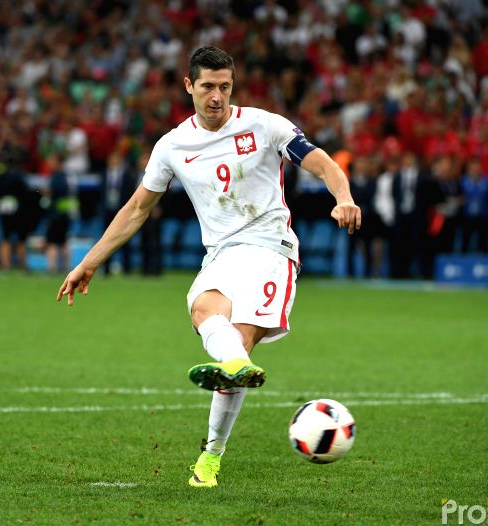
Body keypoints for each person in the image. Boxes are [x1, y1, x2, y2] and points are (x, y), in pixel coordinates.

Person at [56, 46, 360, 488]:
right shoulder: (173, 146)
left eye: (224, 87)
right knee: (202, 309)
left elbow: (324, 164)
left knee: (238, 342)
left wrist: (344, 198)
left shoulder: (265, 125)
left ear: (232, 86)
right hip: (221, 254)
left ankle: (211, 457)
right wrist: (89, 263)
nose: (216, 96)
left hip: (270, 249)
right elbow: (138, 208)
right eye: (207, 87)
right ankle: (235, 366)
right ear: (189, 87)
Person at [44, 154, 77, 273]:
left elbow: (53, 193)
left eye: (52, 160)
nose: (50, 162)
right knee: (63, 241)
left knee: (52, 241)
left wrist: (47, 192)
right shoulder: (68, 176)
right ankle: (65, 268)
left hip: (57, 214)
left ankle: (51, 268)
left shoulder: (58, 177)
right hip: (66, 214)